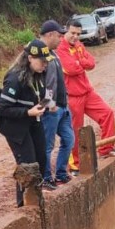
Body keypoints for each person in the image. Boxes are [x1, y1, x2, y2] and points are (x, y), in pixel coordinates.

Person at [57, 18, 115, 170]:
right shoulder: (60, 49)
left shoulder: (79, 45)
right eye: (72, 33)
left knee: (107, 113)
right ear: (66, 30)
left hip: (87, 92)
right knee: (76, 131)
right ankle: (75, 164)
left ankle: (106, 149)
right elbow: (70, 69)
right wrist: (81, 62)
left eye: (78, 34)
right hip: (72, 97)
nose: (76, 37)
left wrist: (79, 62)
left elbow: (91, 63)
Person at [0, 39, 51, 206]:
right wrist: (28, 112)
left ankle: (36, 198)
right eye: (42, 61)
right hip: (16, 127)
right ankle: (23, 204)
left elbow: (43, 95)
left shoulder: (39, 76)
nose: (45, 65)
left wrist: (46, 104)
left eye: (47, 62)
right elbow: (3, 109)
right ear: (30, 58)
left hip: (34, 122)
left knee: (41, 160)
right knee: (27, 164)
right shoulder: (14, 78)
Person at [37, 20, 74, 189]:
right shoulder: (41, 55)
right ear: (50, 34)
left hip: (62, 107)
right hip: (52, 109)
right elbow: (43, 85)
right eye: (59, 35)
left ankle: (60, 173)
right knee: (47, 145)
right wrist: (50, 106)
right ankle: (46, 178)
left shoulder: (54, 53)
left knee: (69, 139)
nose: (61, 38)